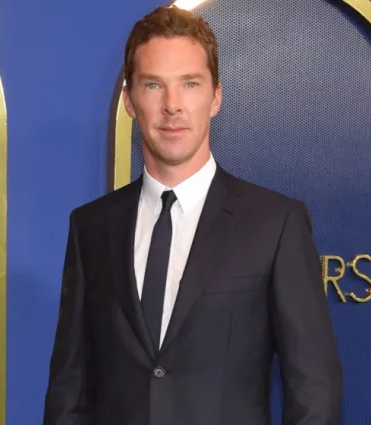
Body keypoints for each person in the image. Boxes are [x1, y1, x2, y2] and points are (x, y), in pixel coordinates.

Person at [43, 5, 342, 425]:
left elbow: (315, 391)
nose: (172, 105)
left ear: (215, 97)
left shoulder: (276, 224)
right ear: (130, 100)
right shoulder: (90, 227)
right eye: (153, 85)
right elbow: (68, 389)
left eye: (190, 83)